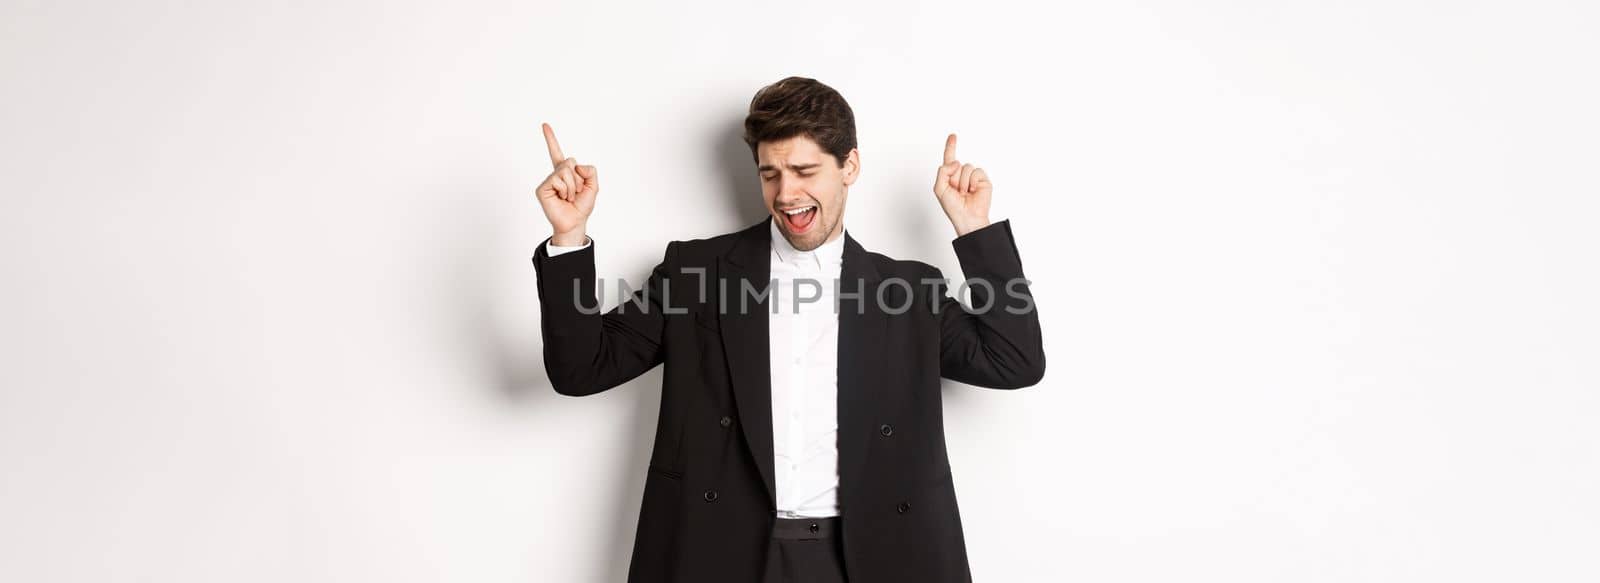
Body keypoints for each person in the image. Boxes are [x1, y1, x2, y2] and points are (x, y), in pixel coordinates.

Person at [530, 76, 1044, 583]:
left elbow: (1014, 361)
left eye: (804, 170)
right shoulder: (696, 273)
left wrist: (975, 233)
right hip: (724, 554)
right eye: (770, 173)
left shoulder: (909, 291)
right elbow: (581, 370)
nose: (786, 193)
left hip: (877, 557)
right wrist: (569, 237)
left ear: (851, 167)